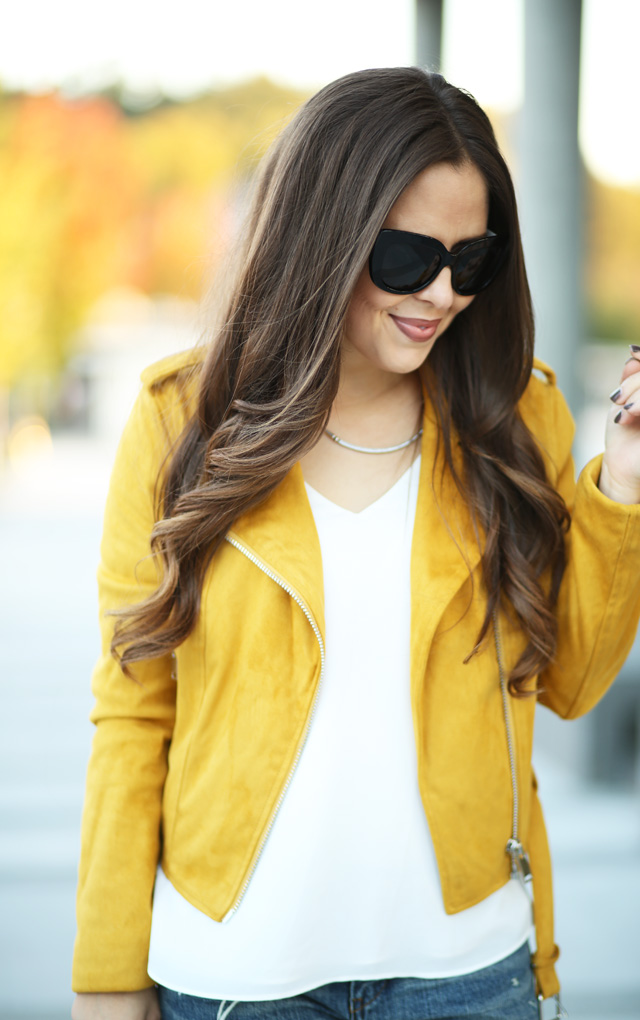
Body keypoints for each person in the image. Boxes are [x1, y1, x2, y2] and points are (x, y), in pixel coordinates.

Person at [71, 67, 640, 1020]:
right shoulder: (181, 422)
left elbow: (574, 682)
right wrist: (105, 979)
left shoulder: (517, 416)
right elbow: (133, 715)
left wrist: (625, 480)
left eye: (476, 260)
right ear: (324, 235)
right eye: (411, 257)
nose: (445, 293)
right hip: (233, 981)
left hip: (471, 973)